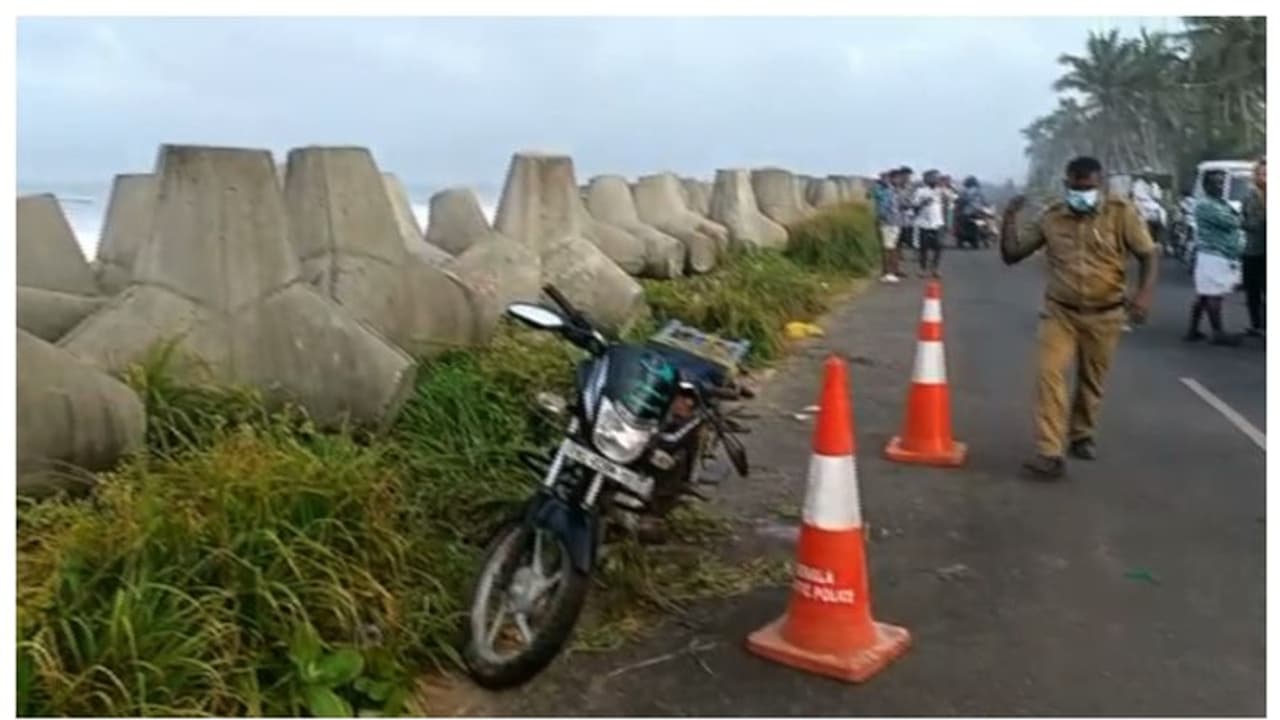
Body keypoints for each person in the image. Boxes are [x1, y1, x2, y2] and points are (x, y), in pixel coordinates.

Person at [999, 156, 1158, 479]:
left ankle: (1082, 433)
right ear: (1067, 184)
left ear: (1100, 185)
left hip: (1107, 312)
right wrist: (1009, 218)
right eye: (1076, 187)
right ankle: (1050, 451)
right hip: (1061, 312)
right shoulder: (1052, 217)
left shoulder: (1120, 213)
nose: (1082, 193)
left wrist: (1143, 295)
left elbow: (1148, 254)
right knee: (1049, 375)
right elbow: (1012, 255)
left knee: (1092, 379)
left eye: (1088, 188)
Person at [1185, 169, 1245, 346]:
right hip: (1214, 254)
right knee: (1214, 295)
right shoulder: (1207, 205)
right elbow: (1232, 222)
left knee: (1204, 294)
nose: (1220, 187)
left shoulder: (1219, 202)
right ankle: (1218, 333)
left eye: (1221, 183)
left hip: (1217, 254)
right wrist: (1240, 217)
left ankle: (1193, 330)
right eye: (1215, 183)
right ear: (1206, 186)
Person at [1241, 157, 1266, 337]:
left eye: (1265, 173)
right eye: (1258, 173)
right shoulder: (1249, 196)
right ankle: (1256, 325)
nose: (1262, 177)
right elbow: (1243, 219)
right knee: (1252, 290)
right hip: (1252, 249)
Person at [911, 169, 946, 277]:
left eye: (937, 177)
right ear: (927, 179)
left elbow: (951, 199)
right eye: (933, 177)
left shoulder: (941, 191)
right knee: (924, 247)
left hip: (937, 222)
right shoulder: (920, 191)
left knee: (938, 246)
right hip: (924, 223)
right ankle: (923, 268)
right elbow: (915, 205)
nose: (935, 179)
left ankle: (935, 268)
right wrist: (923, 202)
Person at [872, 169, 904, 283]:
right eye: (896, 178)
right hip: (888, 222)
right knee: (887, 248)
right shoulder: (888, 191)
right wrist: (882, 218)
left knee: (892, 247)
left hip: (895, 222)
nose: (899, 180)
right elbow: (883, 207)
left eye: (899, 178)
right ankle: (887, 272)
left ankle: (891, 271)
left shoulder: (896, 191)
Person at [896, 166, 916, 251]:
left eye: (908, 175)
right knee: (898, 237)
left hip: (909, 214)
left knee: (910, 236)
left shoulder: (912, 187)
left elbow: (915, 200)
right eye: (905, 175)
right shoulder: (896, 186)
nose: (907, 177)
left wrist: (911, 205)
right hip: (898, 215)